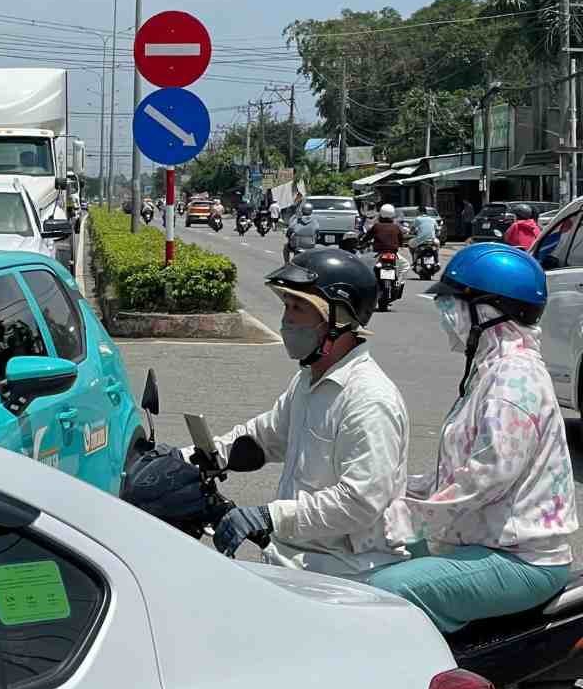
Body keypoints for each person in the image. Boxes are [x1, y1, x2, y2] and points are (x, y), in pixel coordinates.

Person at [370, 245, 576, 631]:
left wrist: (407, 514)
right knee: (377, 550)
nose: (444, 316)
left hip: (520, 558)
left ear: (485, 312)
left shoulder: (512, 382)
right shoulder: (490, 370)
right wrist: (393, 494)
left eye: (451, 304)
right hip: (485, 540)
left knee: (386, 591)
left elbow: (485, 479)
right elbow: (458, 470)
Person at [206, 248, 410, 576]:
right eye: (286, 306)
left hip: (345, 573)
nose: (287, 319)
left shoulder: (369, 399)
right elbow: (266, 436)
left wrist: (272, 515)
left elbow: (360, 501)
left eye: (299, 307)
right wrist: (197, 456)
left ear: (339, 319)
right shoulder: (309, 379)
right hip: (295, 559)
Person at [364, 203, 409, 281]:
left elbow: (367, 238)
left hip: (378, 253)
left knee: (367, 268)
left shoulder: (376, 226)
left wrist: (361, 243)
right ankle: (399, 282)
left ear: (380, 215)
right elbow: (401, 239)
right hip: (393, 253)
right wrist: (401, 244)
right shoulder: (396, 227)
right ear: (393, 216)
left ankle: (372, 284)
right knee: (406, 266)